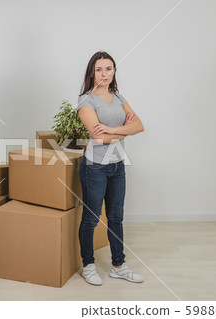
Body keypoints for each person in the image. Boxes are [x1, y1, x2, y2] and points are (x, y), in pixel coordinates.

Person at [77, 51, 145, 286]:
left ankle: (119, 265)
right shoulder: (86, 100)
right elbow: (99, 140)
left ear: (114, 71)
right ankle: (88, 265)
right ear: (91, 72)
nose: (104, 73)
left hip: (117, 165)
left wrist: (111, 129)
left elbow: (140, 126)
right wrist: (122, 130)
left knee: (116, 217)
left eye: (108, 69)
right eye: (99, 69)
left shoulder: (118, 96)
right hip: (95, 167)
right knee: (91, 219)